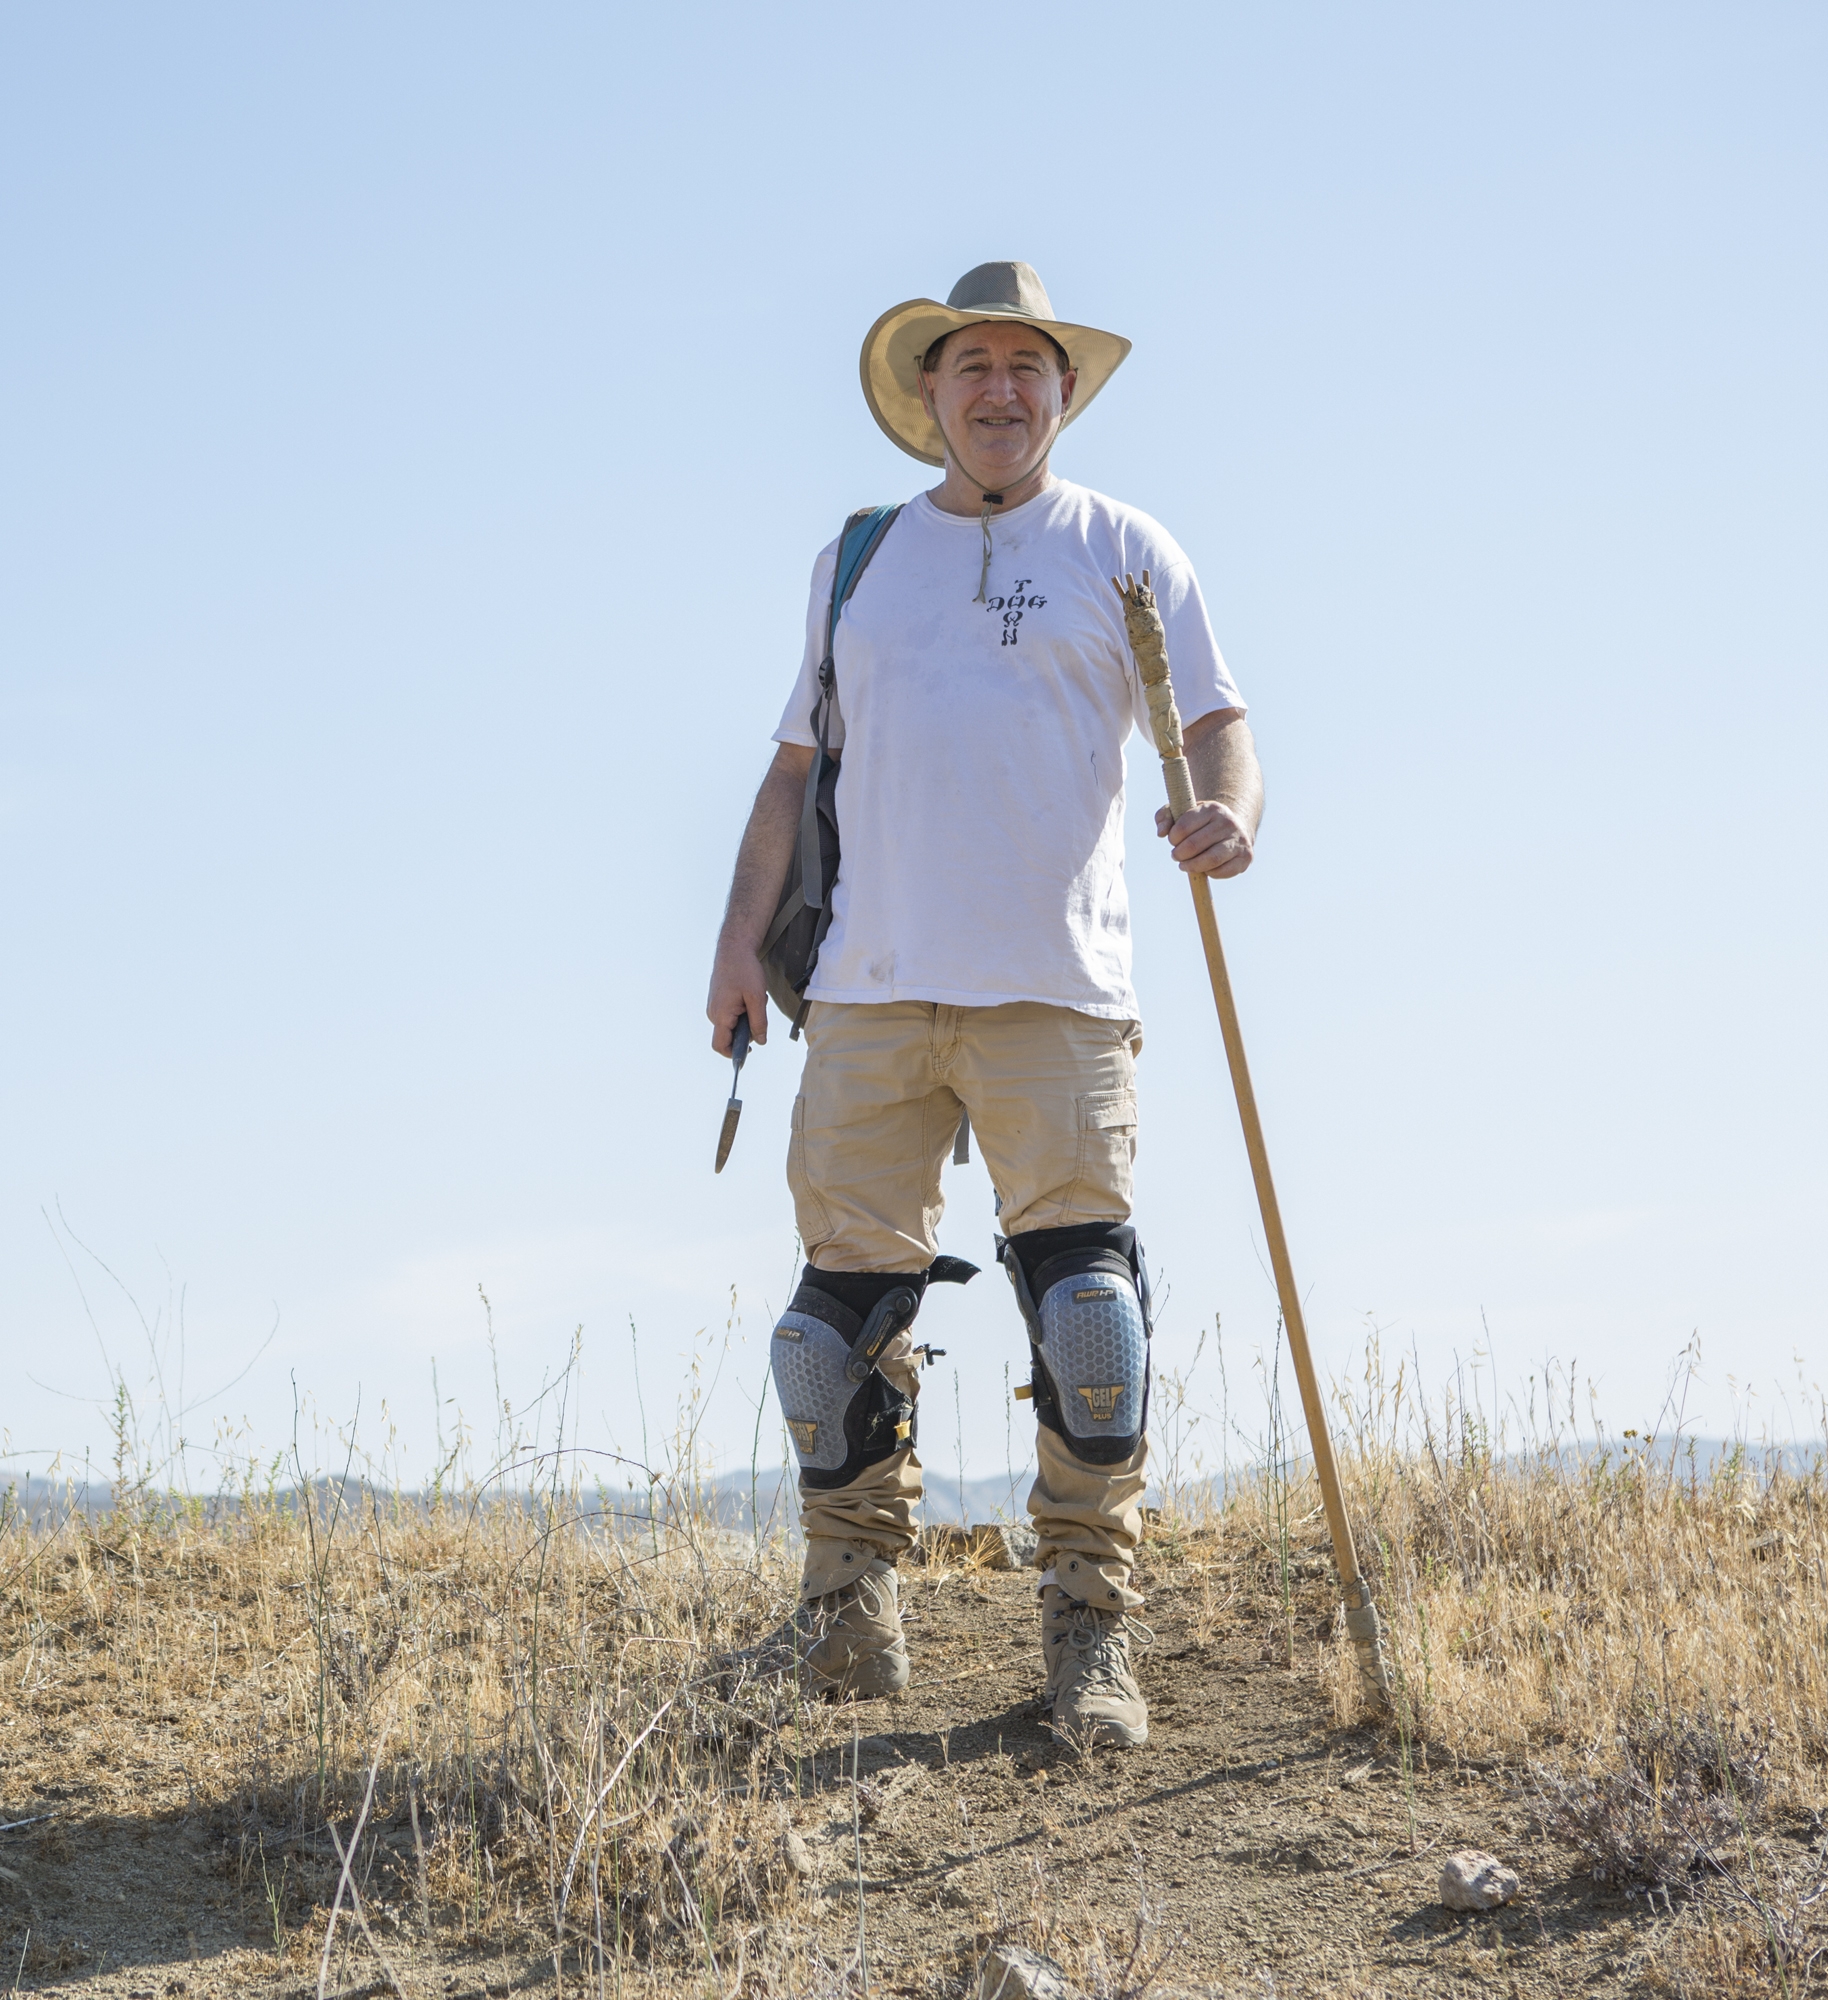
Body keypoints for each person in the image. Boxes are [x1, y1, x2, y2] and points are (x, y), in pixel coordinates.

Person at [705, 261, 1257, 1747]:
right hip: (870, 990)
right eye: (973, 369)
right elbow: (793, 769)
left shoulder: (1126, 549)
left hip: (1058, 989)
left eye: (1029, 367)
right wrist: (738, 941)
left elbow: (1214, 720)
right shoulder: (859, 557)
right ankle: (847, 1616)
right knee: (828, 1337)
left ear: (1062, 394)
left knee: (1093, 1319)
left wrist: (1230, 813)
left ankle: (1089, 1628)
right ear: (930, 398)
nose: (1002, 390)